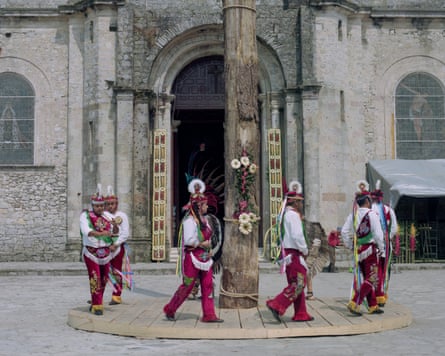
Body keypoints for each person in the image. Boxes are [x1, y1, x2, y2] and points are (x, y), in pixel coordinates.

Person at [163, 178, 223, 323]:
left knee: (207, 286)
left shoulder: (205, 221)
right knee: (187, 286)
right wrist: (202, 244)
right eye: (204, 205)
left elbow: (209, 238)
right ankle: (170, 309)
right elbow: (189, 240)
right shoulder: (190, 221)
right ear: (197, 206)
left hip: (205, 258)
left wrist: (210, 250)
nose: (207, 206)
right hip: (192, 258)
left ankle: (209, 314)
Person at [266, 180, 314, 323]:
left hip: (289, 254)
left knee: (296, 282)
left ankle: (301, 313)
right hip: (294, 253)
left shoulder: (285, 215)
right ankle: (277, 303)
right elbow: (297, 235)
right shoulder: (293, 215)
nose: (301, 204)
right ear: (294, 202)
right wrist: (304, 249)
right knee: (299, 284)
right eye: (299, 201)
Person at [341, 180, 385, 316]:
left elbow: (343, 231)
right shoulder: (372, 214)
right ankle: (355, 302)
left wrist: (349, 245)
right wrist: (382, 249)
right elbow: (378, 234)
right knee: (372, 277)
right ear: (366, 201)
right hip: (370, 250)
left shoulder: (353, 215)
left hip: (358, 251)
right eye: (369, 200)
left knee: (367, 277)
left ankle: (372, 305)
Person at [80, 184, 119, 315]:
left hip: (105, 252)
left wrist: (115, 227)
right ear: (93, 205)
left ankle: (97, 300)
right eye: (97, 206)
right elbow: (87, 231)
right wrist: (101, 234)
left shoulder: (107, 216)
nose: (100, 208)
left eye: (102, 205)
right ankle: (97, 305)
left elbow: (115, 232)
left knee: (103, 279)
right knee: (95, 277)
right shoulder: (85, 216)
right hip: (91, 252)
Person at [371, 180, 398, 307]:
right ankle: (381, 294)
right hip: (385, 244)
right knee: (384, 269)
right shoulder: (388, 210)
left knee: (372, 270)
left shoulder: (369, 210)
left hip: (371, 245)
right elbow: (394, 228)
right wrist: (387, 237)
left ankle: (372, 295)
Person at [105, 185, 130, 305]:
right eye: (108, 204)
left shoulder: (123, 216)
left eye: (113, 203)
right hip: (104, 246)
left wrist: (115, 244)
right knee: (102, 271)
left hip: (117, 247)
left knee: (116, 271)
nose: (111, 206)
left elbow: (125, 233)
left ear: (117, 203)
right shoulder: (103, 216)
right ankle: (97, 295)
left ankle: (116, 295)